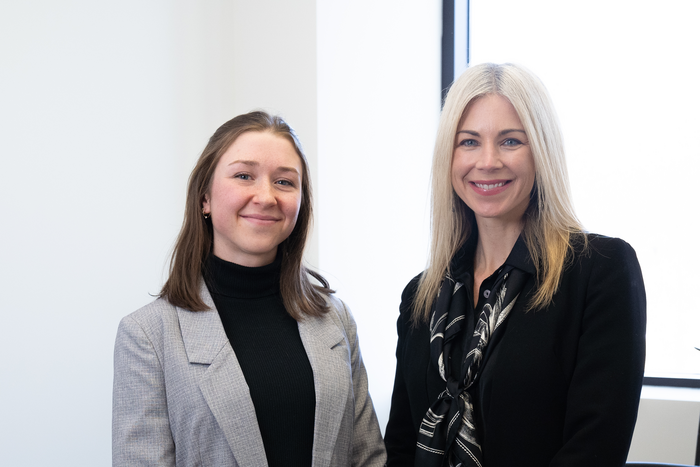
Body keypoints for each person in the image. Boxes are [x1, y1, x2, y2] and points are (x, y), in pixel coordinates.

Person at [384, 63, 646, 467]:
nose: (488, 161)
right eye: (469, 142)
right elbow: (401, 445)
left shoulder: (601, 271)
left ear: (541, 151)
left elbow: (595, 449)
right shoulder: (421, 295)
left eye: (510, 141)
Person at [113, 111, 386, 467]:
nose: (266, 196)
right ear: (205, 198)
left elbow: (368, 457)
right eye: (244, 176)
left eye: (284, 182)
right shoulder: (147, 335)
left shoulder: (336, 319)